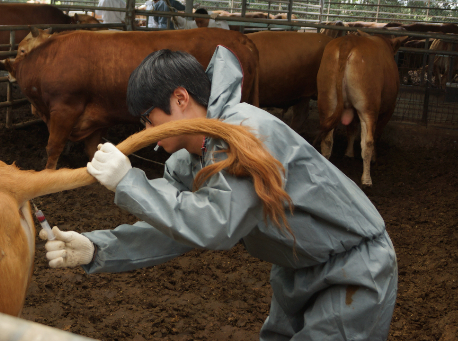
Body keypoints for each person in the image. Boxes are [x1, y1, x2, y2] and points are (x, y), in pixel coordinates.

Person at [41, 47, 398, 341]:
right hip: (296, 268)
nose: (146, 131)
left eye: (148, 119)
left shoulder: (245, 134)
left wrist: (129, 182)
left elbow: (215, 223)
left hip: (351, 269)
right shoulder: (190, 159)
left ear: (180, 99)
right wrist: (97, 248)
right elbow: (176, 225)